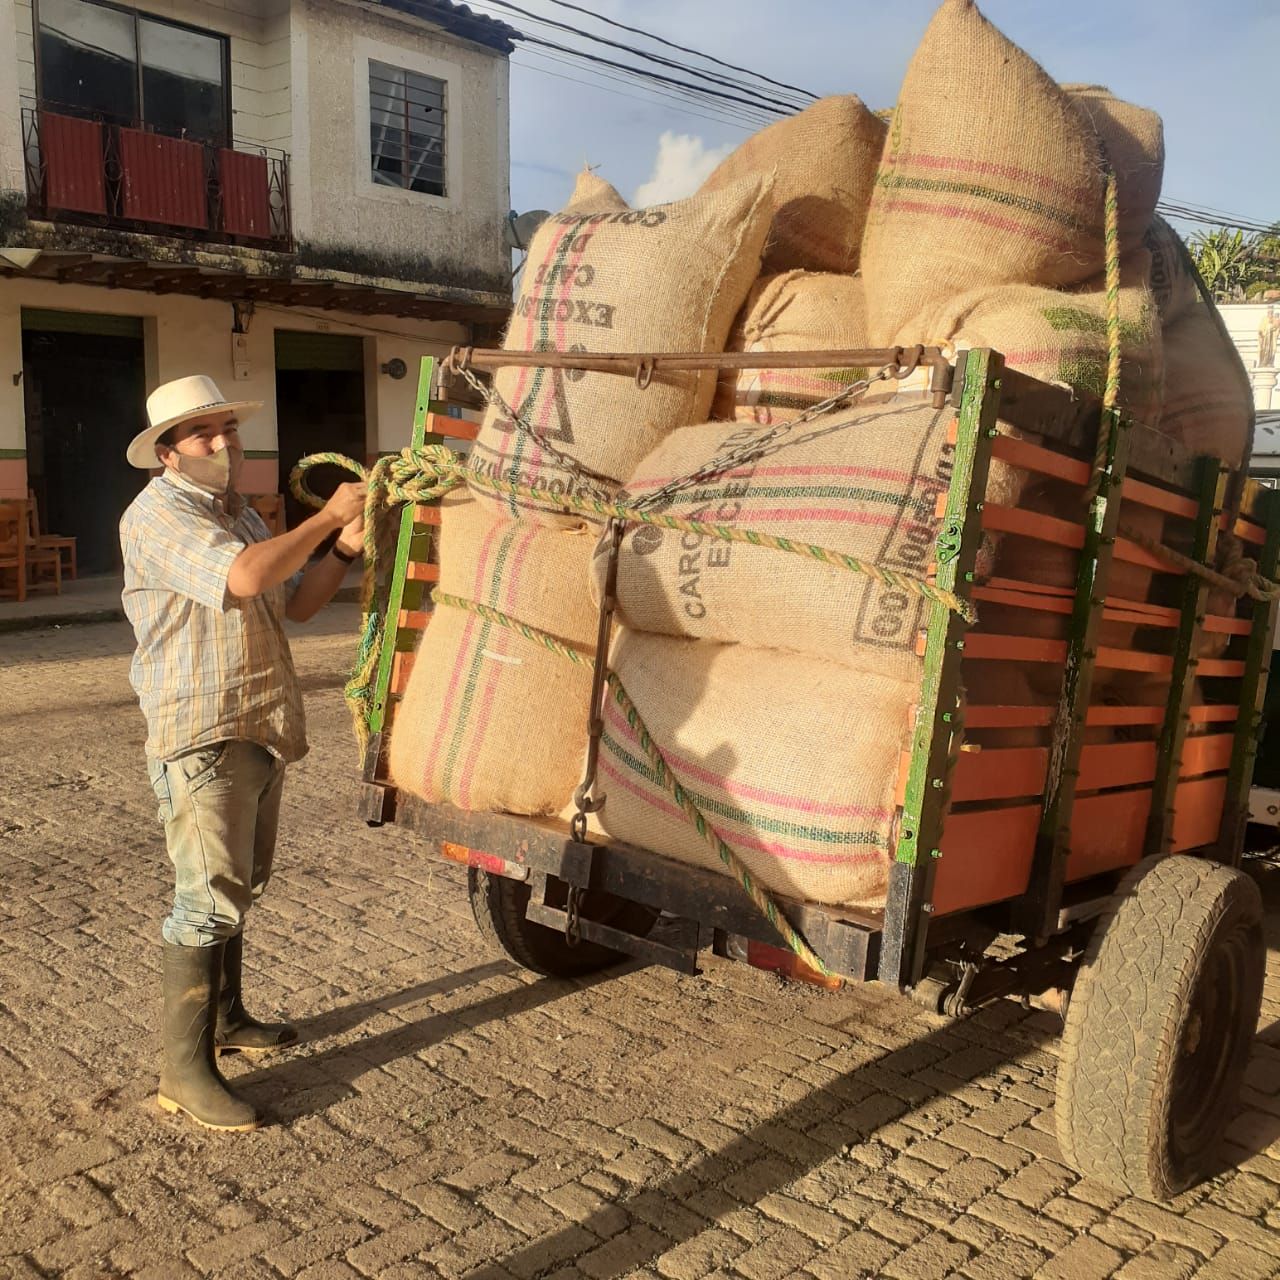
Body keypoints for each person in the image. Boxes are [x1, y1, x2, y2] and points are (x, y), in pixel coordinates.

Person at [120, 374, 366, 1131]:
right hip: (201, 732)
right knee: (206, 896)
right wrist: (326, 515)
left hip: (255, 722)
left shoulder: (243, 517)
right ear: (168, 454)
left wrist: (345, 549)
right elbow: (245, 578)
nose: (224, 443)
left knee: (239, 883)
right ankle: (183, 1071)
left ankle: (225, 1020)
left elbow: (293, 601)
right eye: (204, 435)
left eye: (228, 428)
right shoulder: (156, 516)